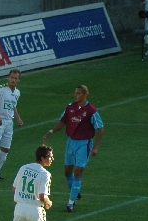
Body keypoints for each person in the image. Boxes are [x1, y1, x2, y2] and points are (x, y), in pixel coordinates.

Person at [42, 85, 104, 213]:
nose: (75, 95)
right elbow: (62, 122)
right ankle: (75, 192)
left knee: (78, 171)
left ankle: (70, 203)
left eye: (78, 93)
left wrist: (96, 147)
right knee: (67, 171)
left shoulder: (91, 111)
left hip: (84, 143)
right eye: (75, 93)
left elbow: (100, 128)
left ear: (84, 95)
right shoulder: (70, 107)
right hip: (71, 142)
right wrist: (50, 132)